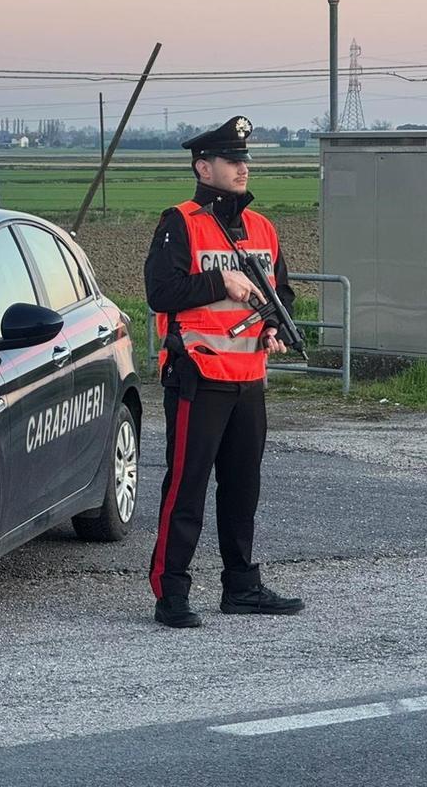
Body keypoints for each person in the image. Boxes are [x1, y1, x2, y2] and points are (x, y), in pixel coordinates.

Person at [144, 115, 306, 629]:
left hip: (248, 377)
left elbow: (282, 293)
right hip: (196, 376)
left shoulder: (262, 227)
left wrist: (275, 326)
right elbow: (161, 294)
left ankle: (241, 586)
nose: (241, 169)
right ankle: (171, 592)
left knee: (242, 487)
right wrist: (221, 281)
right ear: (203, 166)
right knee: (186, 488)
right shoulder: (180, 221)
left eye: (244, 161)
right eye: (231, 161)